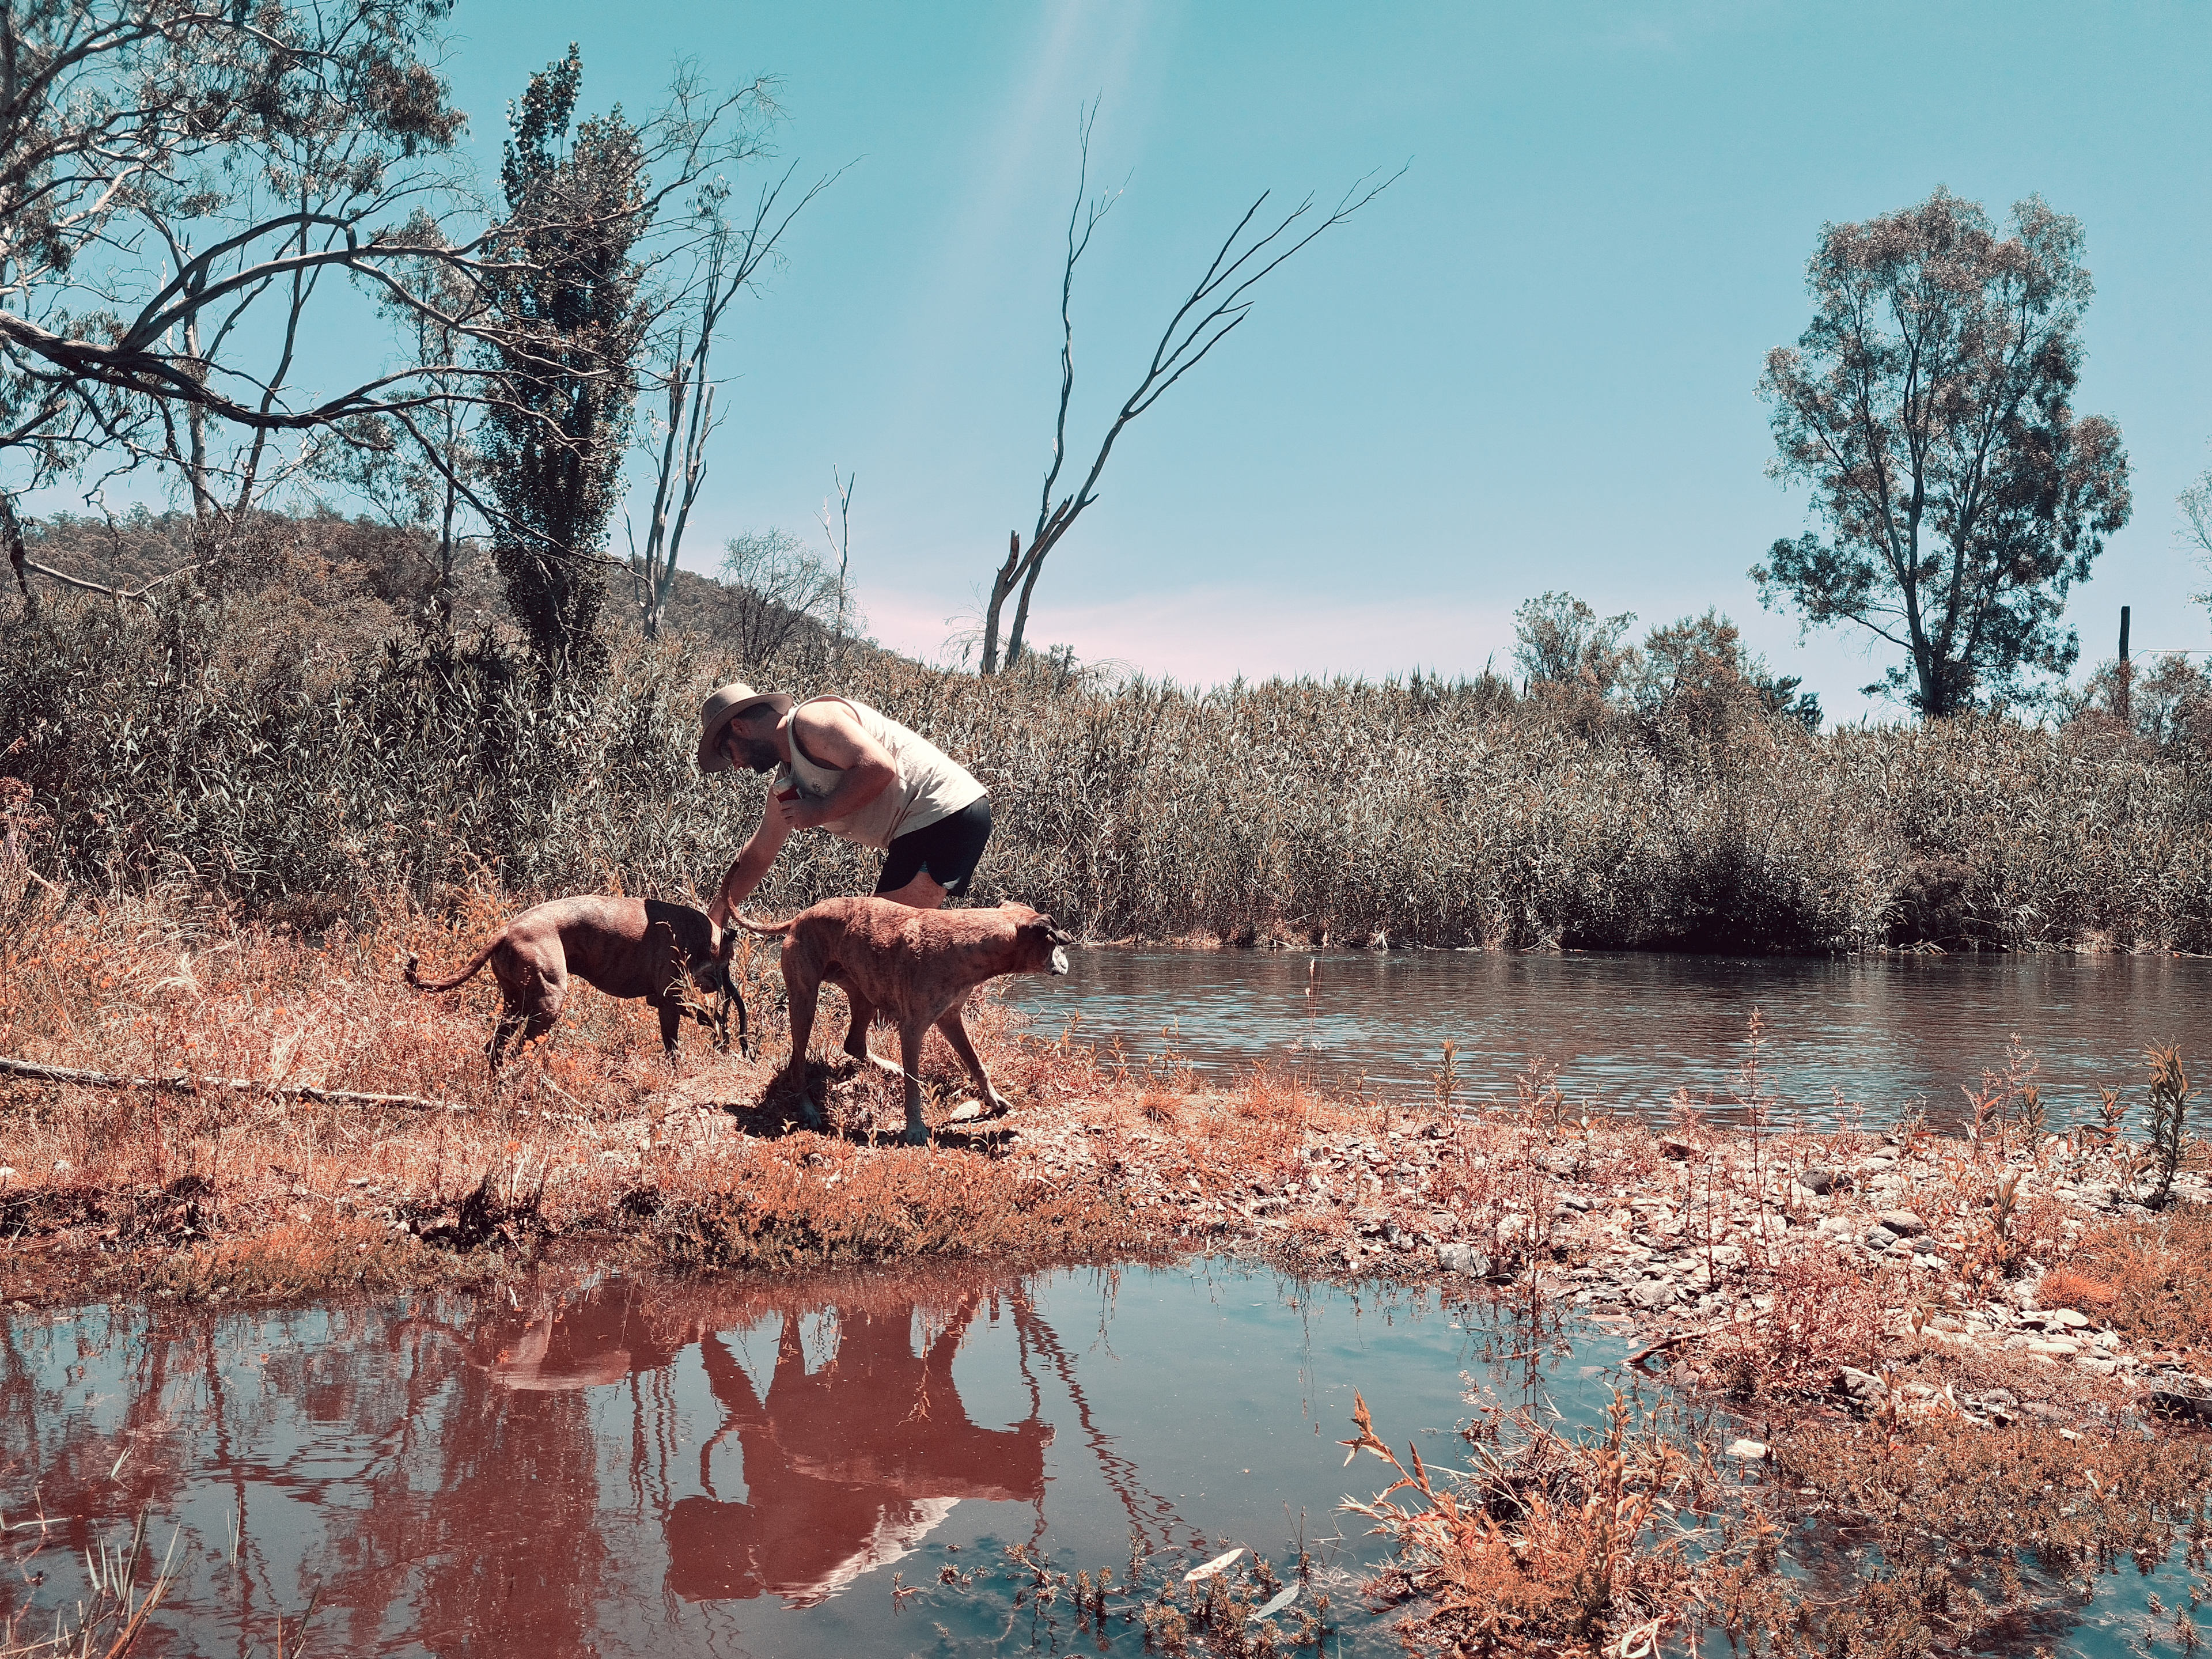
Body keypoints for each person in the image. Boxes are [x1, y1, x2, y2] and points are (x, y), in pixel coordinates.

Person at [696, 682, 991, 924]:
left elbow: (879, 767)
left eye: (726, 751)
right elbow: (760, 853)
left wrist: (819, 811)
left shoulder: (812, 721)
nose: (734, 765)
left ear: (740, 727)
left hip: (943, 813)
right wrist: (717, 916)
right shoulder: (787, 779)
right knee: (882, 944)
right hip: (924, 825)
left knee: (879, 939)